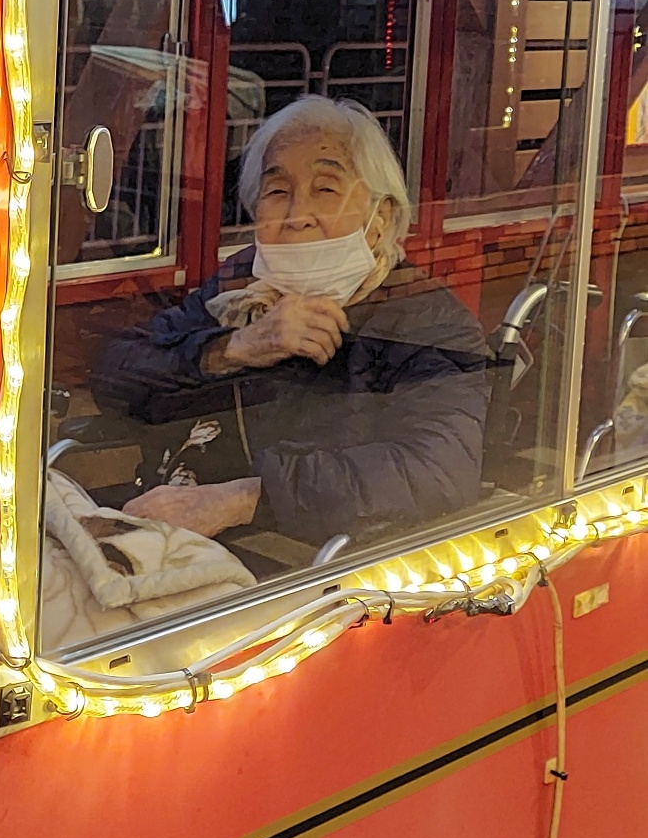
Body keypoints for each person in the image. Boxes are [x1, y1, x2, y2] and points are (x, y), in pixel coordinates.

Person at [94, 96, 489, 554]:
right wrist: (231, 348)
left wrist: (243, 499)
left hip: (291, 568)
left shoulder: (425, 318)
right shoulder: (241, 286)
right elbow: (112, 378)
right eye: (278, 192)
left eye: (325, 189)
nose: (297, 215)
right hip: (165, 532)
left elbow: (440, 471)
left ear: (378, 221)